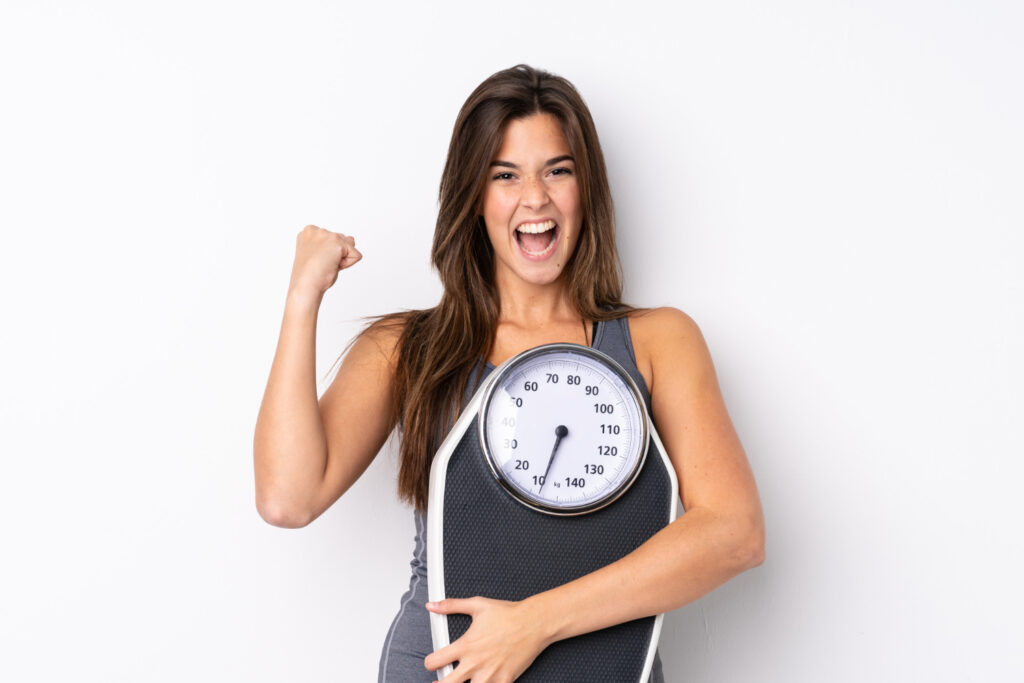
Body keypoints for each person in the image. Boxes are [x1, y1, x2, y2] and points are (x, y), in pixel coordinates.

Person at [253, 63, 765, 683]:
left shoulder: (659, 341)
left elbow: (734, 532)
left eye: (558, 170)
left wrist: (535, 623)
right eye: (505, 175)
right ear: (474, 196)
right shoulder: (410, 348)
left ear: (586, 188)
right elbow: (288, 499)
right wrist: (302, 296)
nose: (535, 198)